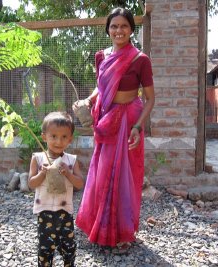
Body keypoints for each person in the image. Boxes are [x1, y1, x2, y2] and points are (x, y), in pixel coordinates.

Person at [74, 7, 155, 249]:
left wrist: (138, 127)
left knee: (124, 175)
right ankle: (99, 226)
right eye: (114, 26)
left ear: (131, 29)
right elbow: (101, 86)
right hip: (106, 118)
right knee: (101, 172)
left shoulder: (140, 59)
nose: (119, 30)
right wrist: (89, 100)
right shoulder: (102, 57)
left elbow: (150, 98)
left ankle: (122, 231)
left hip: (129, 120)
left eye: (124, 26)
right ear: (108, 29)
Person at [28, 111, 84, 267]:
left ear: (70, 139)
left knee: (69, 246)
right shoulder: (38, 159)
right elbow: (32, 184)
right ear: (44, 136)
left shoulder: (71, 161)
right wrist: (42, 173)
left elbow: (79, 184)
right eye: (53, 136)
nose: (58, 141)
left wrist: (68, 173)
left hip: (64, 211)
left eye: (64, 137)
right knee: (45, 247)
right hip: (44, 211)